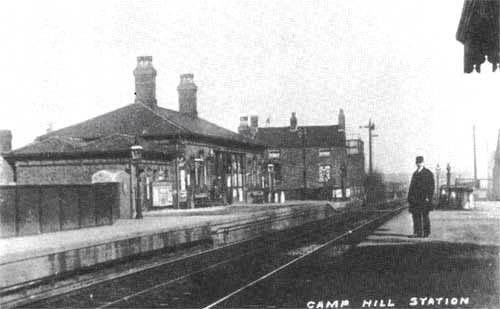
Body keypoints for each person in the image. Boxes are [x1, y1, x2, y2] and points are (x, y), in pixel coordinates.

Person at [407, 156, 435, 237]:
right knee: (416, 215)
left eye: (420, 162)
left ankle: (426, 233)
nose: (419, 164)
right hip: (415, 199)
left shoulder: (428, 173)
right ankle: (417, 232)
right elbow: (411, 187)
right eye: (417, 162)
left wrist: (429, 197)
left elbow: (431, 186)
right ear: (416, 163)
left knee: (425, 215)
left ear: (423, 162)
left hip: (424, 198)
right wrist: (409, 197)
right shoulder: (415, 174)